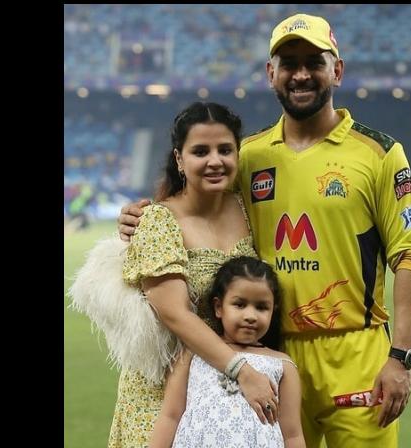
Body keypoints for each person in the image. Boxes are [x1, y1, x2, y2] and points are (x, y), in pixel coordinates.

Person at [119, 13, 411, 448]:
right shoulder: (249, 155)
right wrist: (146, 213)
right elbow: (198, 198)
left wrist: (401, 357)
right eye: (288, 63)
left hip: (355, 354)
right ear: (272, 74)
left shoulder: (379, 153)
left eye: (313, 61)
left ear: (336, 70)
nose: (300, 74)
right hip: (269, 355)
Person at [71, 102, 281, 448]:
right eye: (201, 151)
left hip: (224, 394)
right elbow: (175, 314)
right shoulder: (158, 221)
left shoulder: (246, 206)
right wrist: (242, 371)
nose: (215, 160)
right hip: (166, 393)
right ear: (180, 159)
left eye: (225, 150)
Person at [150, 256, 306, 448]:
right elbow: (170, 416)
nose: (250, 316)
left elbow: (292, 435)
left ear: (273, 311)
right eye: (239, 304)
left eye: (261, 307)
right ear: (218, 307)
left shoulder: (283, 365)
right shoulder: (192, 354)